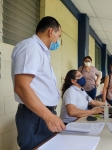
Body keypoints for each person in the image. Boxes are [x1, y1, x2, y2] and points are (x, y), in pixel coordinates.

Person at [11, 16, 66, 150]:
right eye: (58, 36)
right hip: (34, 117)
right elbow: (21, 87)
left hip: (41, 115)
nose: (57, 41)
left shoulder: (41, 52)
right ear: (50, 32)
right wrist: (48, 116)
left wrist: (50, 115)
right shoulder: (31, 47)